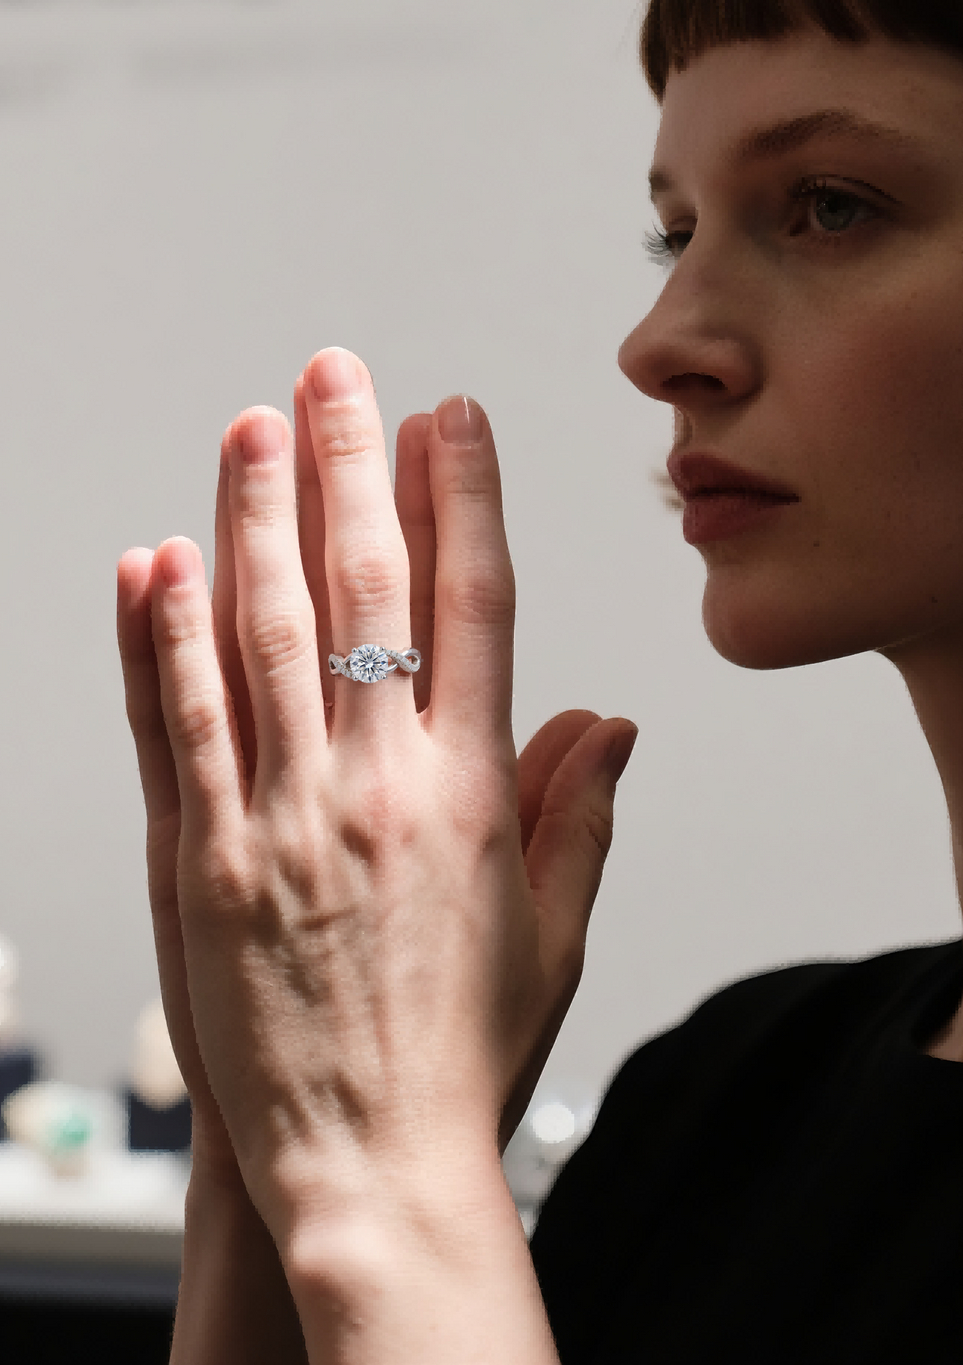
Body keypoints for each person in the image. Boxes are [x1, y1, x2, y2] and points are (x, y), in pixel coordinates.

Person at [115, 0, 963, 1360]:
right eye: (676, 231)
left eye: (832, 207)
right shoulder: (721, 1104)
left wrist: (386, 1192)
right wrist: (268, 1150)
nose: (659, 343)